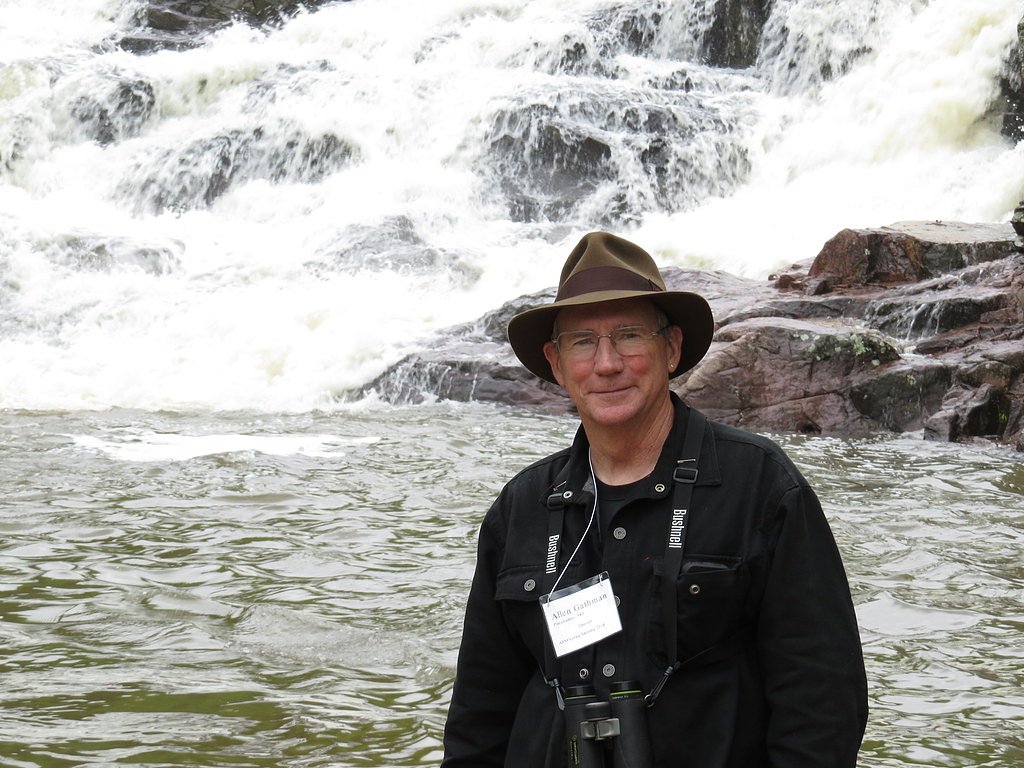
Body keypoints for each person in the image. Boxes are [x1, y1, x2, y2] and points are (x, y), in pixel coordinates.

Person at [441, 231, 868, 768]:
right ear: (555, 362)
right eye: (582, 342)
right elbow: (480, 710)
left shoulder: (759, 487)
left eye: (628, 336)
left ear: (670, 348)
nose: (607, 363)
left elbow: (822, 703)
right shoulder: (521, 507)